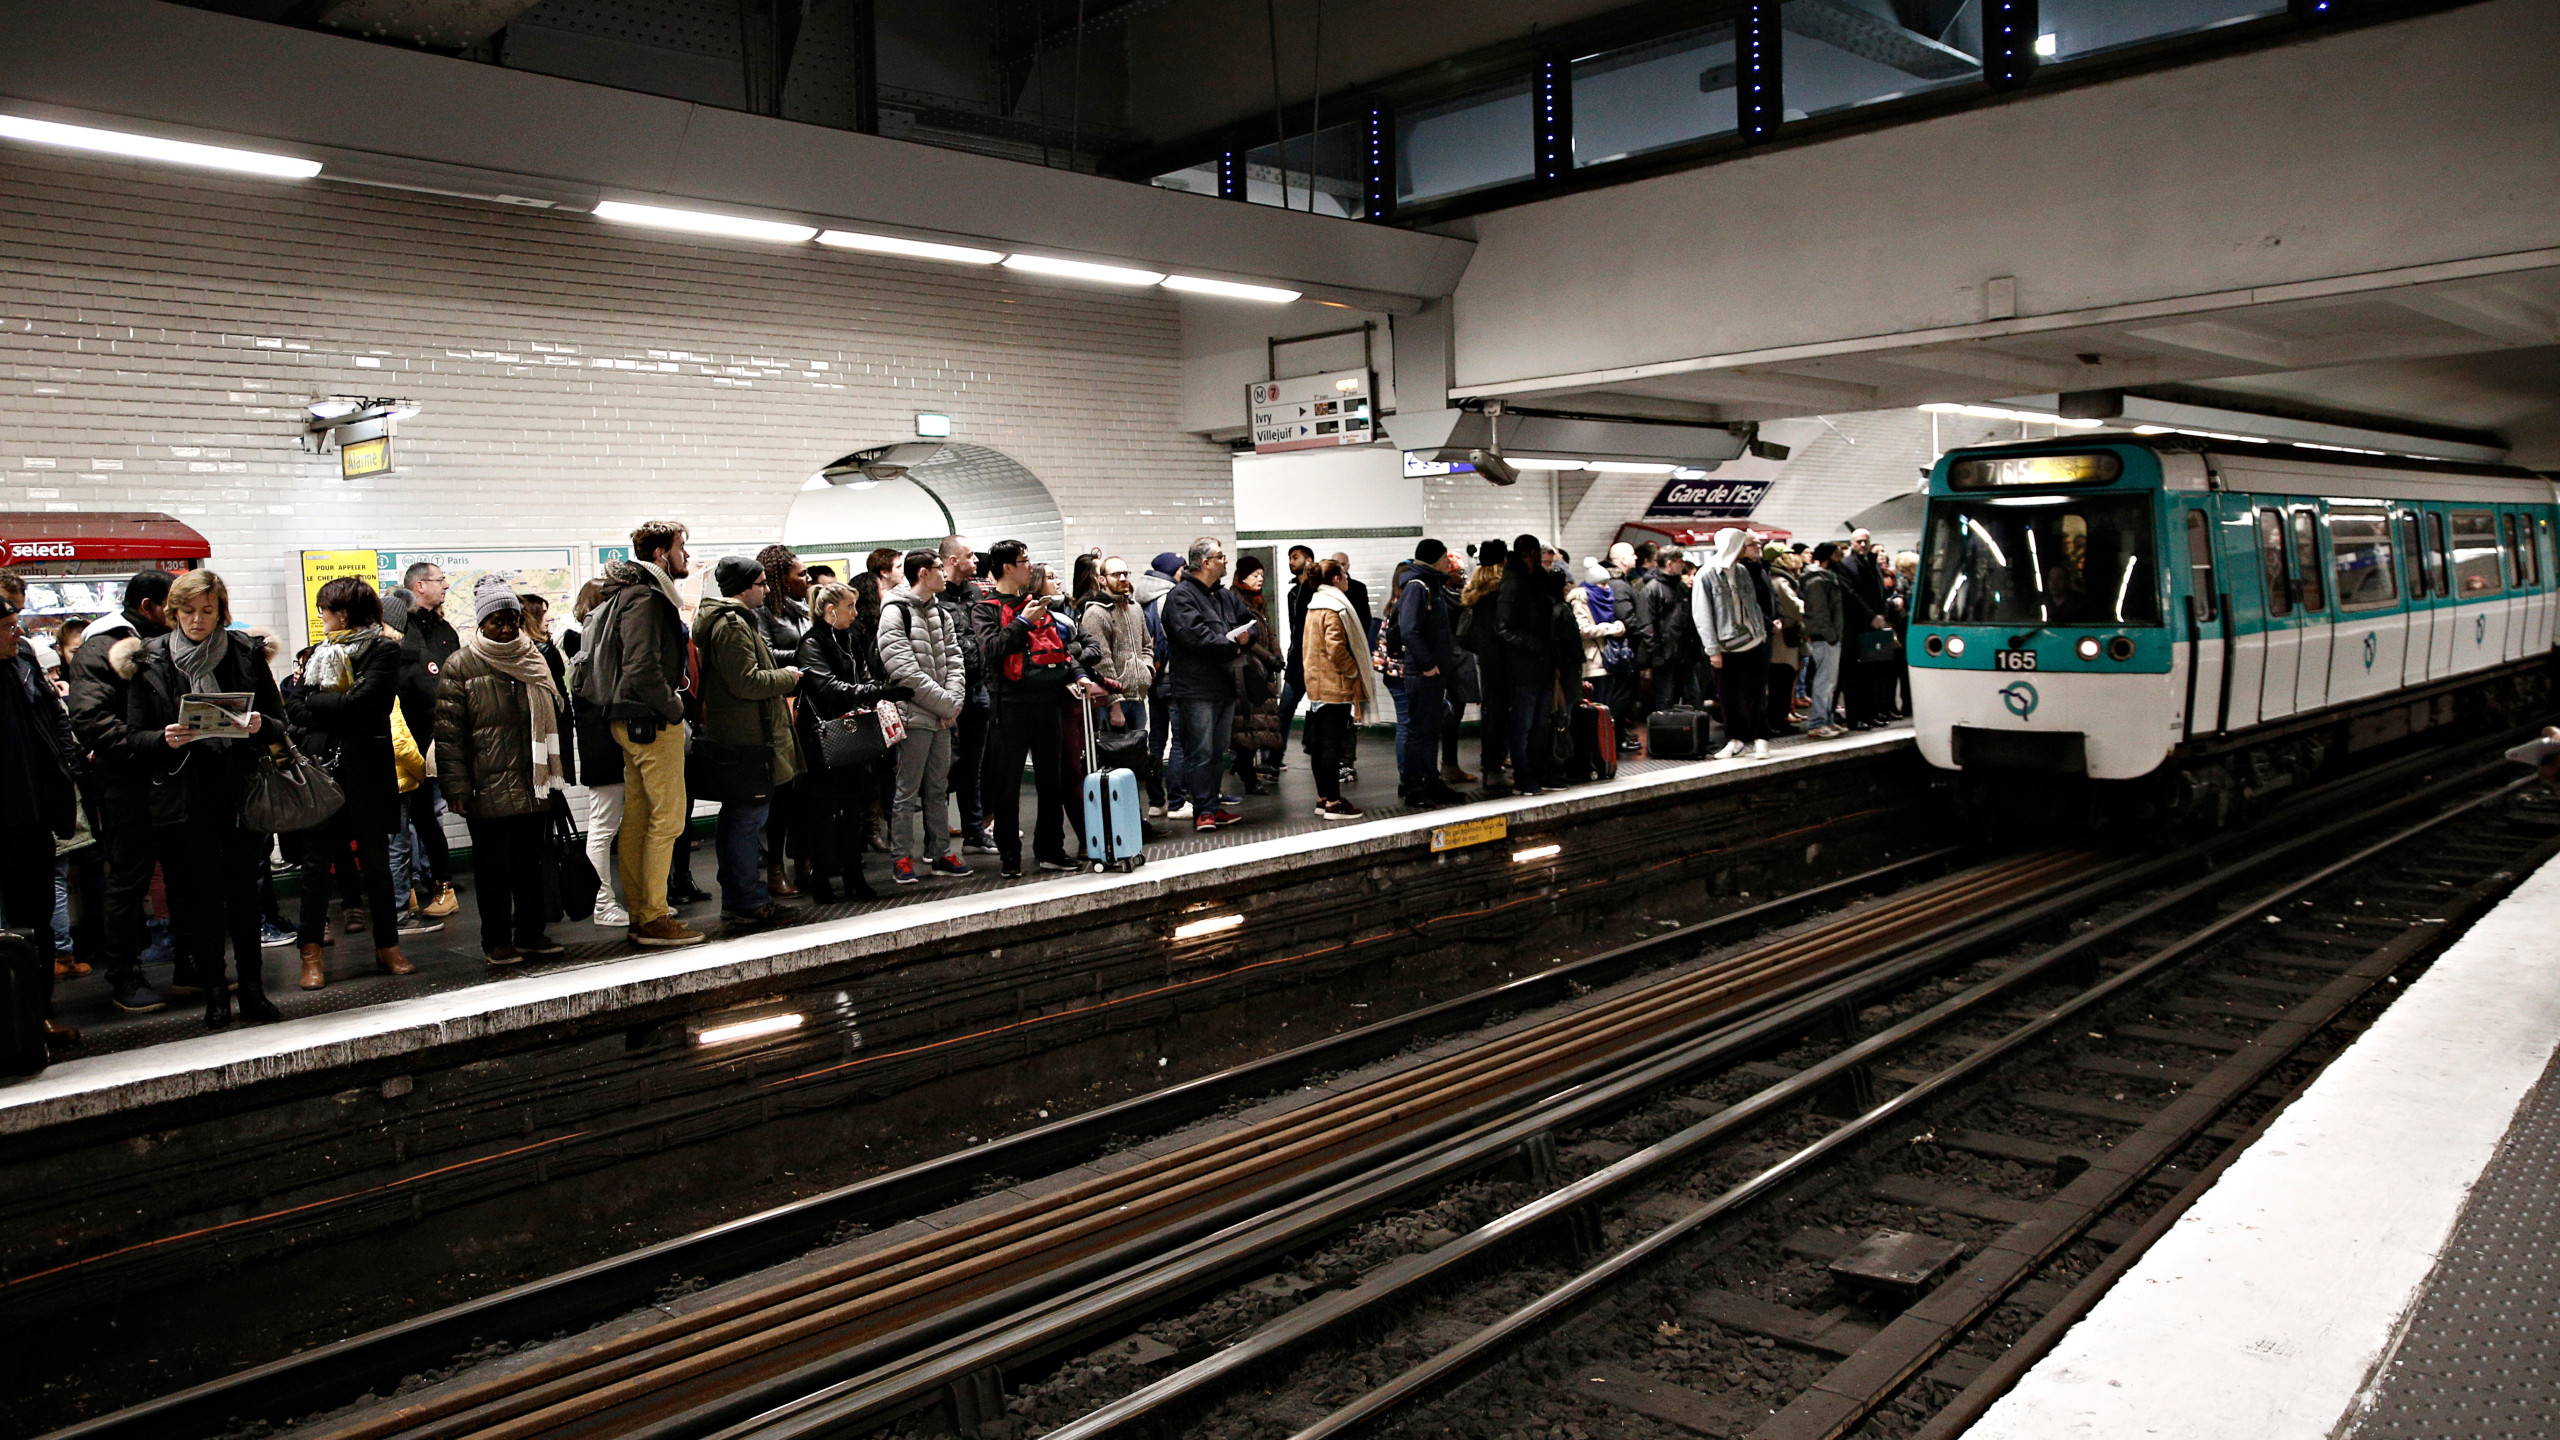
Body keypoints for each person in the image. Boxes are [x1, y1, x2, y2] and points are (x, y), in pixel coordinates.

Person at [289, 576, 417, 986]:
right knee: (315, 867)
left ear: (342, 613)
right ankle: (311, 953)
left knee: (377, 865)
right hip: (322, 769)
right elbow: (294, 707)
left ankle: (388, 945)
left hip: (367, 772)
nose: (321, 617)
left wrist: (322, 705)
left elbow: (365, 705)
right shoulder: (317, 653)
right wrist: (339, 705)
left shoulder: (384, 650)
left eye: (324, 610)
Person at [434, 576, 570, 965]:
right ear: (482, 622)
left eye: (513, 619)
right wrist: (456, 787)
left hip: (532, 781)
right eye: (498, 620)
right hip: (486, 785)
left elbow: (558, 712)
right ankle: (496, 940)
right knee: (493, 869)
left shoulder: (534, 658)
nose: (508, 627)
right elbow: (448, 734)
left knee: (530, 864)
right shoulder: (461, 665)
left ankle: (530, 932)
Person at [585, 520, 706, 948]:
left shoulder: (627, 593)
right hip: (650, 720)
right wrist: (674, 707)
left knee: (638, 818)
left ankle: (640, 912)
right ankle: (653, 916)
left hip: (629, 719)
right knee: (668, 817)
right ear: (660, 554)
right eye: (680, 548)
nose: (685, 556)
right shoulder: (649, 599)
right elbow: (641, 668)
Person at [63, 570, 174, 1012]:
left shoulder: (172, 641)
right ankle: (124, 975)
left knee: (186, 875)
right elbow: (90, 719)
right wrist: (150, 744)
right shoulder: (101, 647)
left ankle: (191, 964)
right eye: (173, 605)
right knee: (128, 882)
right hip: (130, 784)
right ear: (148, 606)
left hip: (177, 778)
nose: (184, 615)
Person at [976, 538, 1108, 870]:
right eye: (1024, 561)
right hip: (1009, 704)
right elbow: (991, 650)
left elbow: (1058, 649)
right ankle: (1010, 855)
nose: (1030, 567)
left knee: (1052, 781)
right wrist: (1022, 622)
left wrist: (1078, 674)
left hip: (1048, 701)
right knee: (1008, 783)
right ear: (1008, 567)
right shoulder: (985, 608)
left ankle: (1050, 850)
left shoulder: (1035, 603)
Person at [694, 556, 804, 924]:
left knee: (740, 819)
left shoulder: (734, 621)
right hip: (747, 738)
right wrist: (787, 677)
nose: (768, 590)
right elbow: (745, 682)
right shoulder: (731, 625)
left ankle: (742, 898)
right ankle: (747, 901)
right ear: (743, 588)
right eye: (761, 583)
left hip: (744, 734)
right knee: (746, 821)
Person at [1, 591, 85, 1042]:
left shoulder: (24, 663)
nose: (16, 633)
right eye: (6, 627)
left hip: (31, 812)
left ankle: (39, 1013)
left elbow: (55, 717)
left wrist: (68, 766)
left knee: (36, 917)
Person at [794, 579, 906, 900]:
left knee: (853, 809)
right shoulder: (812, 643)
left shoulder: (849, 638)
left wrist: (875, 690)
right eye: (849, 607)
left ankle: (854, 877)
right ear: (831, 610)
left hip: (851, 732)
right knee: (823, 812)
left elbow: (862, 675)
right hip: (822, 737)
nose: (855, 613)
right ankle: (822, 881)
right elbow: (827, 687)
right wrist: (876, 691)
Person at [878, 549, 971, 885]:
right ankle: (901, 857)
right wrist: (947, 706)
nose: (944, 574)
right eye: (938, 568)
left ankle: (941, 853)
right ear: (922, 573)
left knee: (937, 789)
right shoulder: (895, 611)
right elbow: (903, 671)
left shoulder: (940, 612)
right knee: (907, 791)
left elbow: (956, 660)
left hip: (942, 718)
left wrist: (953, 702)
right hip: (913, 717)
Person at [1159, 537, 1259, 833]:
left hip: (1224, 684)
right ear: (1205, 563)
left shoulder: (1225, 595)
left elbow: (1249, 621)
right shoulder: (1181, 596)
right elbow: (1194, 636)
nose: (1226, 561)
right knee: (1199, 751)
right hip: (1195, 687)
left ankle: (1213, 806)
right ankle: (1203, 810)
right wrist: (1233, 646)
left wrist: (1248, 637)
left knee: (1217, 751)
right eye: (1221, 556)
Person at [386, 561, 461, 920]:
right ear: (419, 586)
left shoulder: (444, 630)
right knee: (409, 820)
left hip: (439, 735)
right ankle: (413, 887)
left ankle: (441, 884)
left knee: (431, 815)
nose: (445, 586)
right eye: (439, 580)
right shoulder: (402, 629)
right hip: (406, 738)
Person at [562, 580, 628, 927]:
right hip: (605, 747)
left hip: (602, 746)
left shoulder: (584, 646)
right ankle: (602, 903)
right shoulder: (590, 648)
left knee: (610, 826)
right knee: (603, 828)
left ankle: (620, 900)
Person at [755, 543, 813, 900]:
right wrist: (808, 656)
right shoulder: (762, 613)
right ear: (781, 578)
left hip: (808, 705)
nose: (807, 579)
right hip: (783, 706)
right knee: (783, 794)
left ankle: (803, 859)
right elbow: (766, 655)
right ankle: (775, 869)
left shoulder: (799, 609)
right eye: (800, 574)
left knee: (806, 792)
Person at [1395, 539, 1467, 808]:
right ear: (1435, 559)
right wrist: (1427, 664)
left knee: (1429, 731)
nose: (1449, 562)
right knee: (1419, 731)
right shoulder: (1417, 586)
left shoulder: (1431, 584)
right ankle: (1414, 787)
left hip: (1433, 671)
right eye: (1446, 557)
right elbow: (1409, 630)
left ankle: (1431, 781)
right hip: (1422, 672)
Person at [1300, 559, 1373, 819]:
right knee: (1332, 745)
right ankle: (1334, 801)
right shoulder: (1333, 608)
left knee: (1320, 745)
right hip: (1335, 685)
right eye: (1344, 574)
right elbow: (1336, 648)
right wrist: (1353, 671)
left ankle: (1323, 798)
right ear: (1335, 579)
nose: (1347, 578)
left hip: (1318, 684)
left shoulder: (1314, 605)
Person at [937, 535, 997, 854]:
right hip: (946, 693)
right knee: (944, 768)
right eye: (970, 555)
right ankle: (936, 840)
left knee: (974, 766)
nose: (976, 561)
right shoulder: (934, 597)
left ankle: (974, 832)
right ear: (953, 560)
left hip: (977, 687)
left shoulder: (976, 593)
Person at [1694, 528, 1774, 760]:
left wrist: (1761, 631)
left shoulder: (1742, 571)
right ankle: (1735, 739)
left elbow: (1753, 604)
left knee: (1755, 693)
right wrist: (1712, 649)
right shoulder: (1706, 574)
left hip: (1752, 641)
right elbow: (1702, 614)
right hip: (1725, 646)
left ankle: (1760, 738)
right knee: (1727, 696)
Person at [1491, 535, 1560, 796]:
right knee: (1523, 725)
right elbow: (1502, 626)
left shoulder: (1537, 580)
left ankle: (1539, 773)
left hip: (1540, 662)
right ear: (1529, 553)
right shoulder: (1513, 581)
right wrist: (1532, 644)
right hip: (1522, 666)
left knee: (1540, 723)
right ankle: (1524, 776)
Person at [1135, 552, 1187, 817]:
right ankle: (1177, 801)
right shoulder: (1168, 597)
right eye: (1181, 568)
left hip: (1153, 678)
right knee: (1180, 741)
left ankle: (1157, 802)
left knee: (1156, 741)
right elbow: (1172, 638)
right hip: (1172, 676)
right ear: (1171, 571)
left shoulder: (1143, 598)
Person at [1228, 556, 1283, 795]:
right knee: (1247, 725)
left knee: (1259, 725)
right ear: (1242, 577)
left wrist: (1276, 655)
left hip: (1262, 671)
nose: (1260, 579)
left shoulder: (1259, 601)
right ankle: (1247, 774)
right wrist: (1267, 656)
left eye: (1261, 574)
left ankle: (1245, 769)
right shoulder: (1235, 600)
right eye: (1255, 575)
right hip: (1246, 671)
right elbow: (1243, 637)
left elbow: (1270, 633)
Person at [1459, 539, 1511, 794]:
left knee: (1491, 712)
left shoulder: (1476, 588)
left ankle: (1491, 763)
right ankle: (1493, 767)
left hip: (1487, 659)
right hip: (1503, 659)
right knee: (1500, 714)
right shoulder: (1501, 589)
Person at [1801, 544, 1850, 739]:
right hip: (1824, 638)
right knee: (1824, 681)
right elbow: (1819, 611)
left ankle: (1826, 719)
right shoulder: (1817, 581)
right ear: (1829, 557)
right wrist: (1831, 635)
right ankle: (1818, 722)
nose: (1840, 559)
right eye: (1837, 555)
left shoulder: (1826, 578)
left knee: (1829, 682)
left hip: (1828, 636)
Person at [1277, 544, 1316, 767]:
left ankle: (1319, 751)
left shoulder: (1317, 589)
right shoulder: (1293, 593)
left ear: (1308, 560)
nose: (1291, 562)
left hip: (1315, 661)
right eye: (1290, 558)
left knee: (1319, 709)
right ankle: (1274, 758)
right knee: (1284, 712)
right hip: (1296, 661)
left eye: (1295, 557)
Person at [1764, 545, 1808, 736]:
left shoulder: (1772, 578)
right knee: (1782, 680)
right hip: (1784, 638)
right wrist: (1806, 607)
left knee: (1780, 681)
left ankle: (1779, 718)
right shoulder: (1781, 581)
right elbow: (1794, 608)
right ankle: (1779, 720)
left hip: (1779, 637)